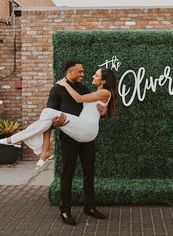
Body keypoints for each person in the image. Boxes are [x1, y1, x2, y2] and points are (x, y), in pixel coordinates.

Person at [0, 61, 118, 225]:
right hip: (69, 136)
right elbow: (47, 122)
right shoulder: (56, 90)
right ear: (70, 72)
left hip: (85, 134)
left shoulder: (84, 89)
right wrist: (53, 130)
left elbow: (93, 108)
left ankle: (89, 207)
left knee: (89, 171)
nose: (84, 74)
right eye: (80, 71)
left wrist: (103, 112)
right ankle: (65, 210)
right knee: (67, 172)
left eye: (86, 72)